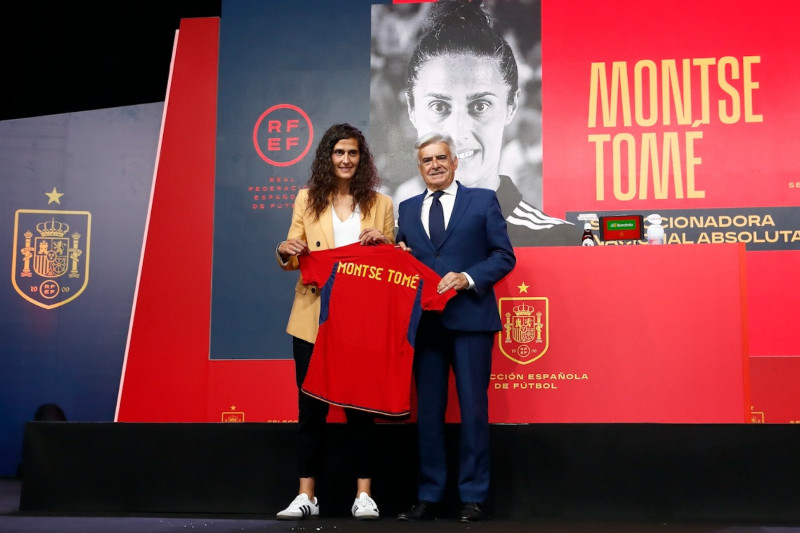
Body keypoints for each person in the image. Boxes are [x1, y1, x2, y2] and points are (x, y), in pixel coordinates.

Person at [275, 123, 395, 520]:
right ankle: (306, 495)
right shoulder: (307, 199)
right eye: (339, 153)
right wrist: (285, 248)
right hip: (313, 320)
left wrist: (386, 244)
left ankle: (364, 495)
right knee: (311, 411)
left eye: (353, 153)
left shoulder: (381, 204)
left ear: (363, 159)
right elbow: (294, 253)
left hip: (361, 323)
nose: (346, 160)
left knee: (362, 409)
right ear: (328, 157)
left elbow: (393, 266)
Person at [395, 132, 516, 522]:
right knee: (427, 415)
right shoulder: (408, 209)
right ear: (419, 167)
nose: (435, 165)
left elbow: (503, 256)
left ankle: (473, 497)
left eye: (441, 158)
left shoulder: (482, 201)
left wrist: (467, 277)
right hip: (426, 327)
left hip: (471, 322)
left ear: (454, 161)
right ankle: (429, 496)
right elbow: (404, 262)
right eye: (427, 160)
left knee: (474, 412)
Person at [392, 0, 583, 247]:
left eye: (479, 106)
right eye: (439, 107)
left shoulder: (559, 240)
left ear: (511, 106)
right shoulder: (387, 249)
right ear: (412, 109)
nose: (457, 132)